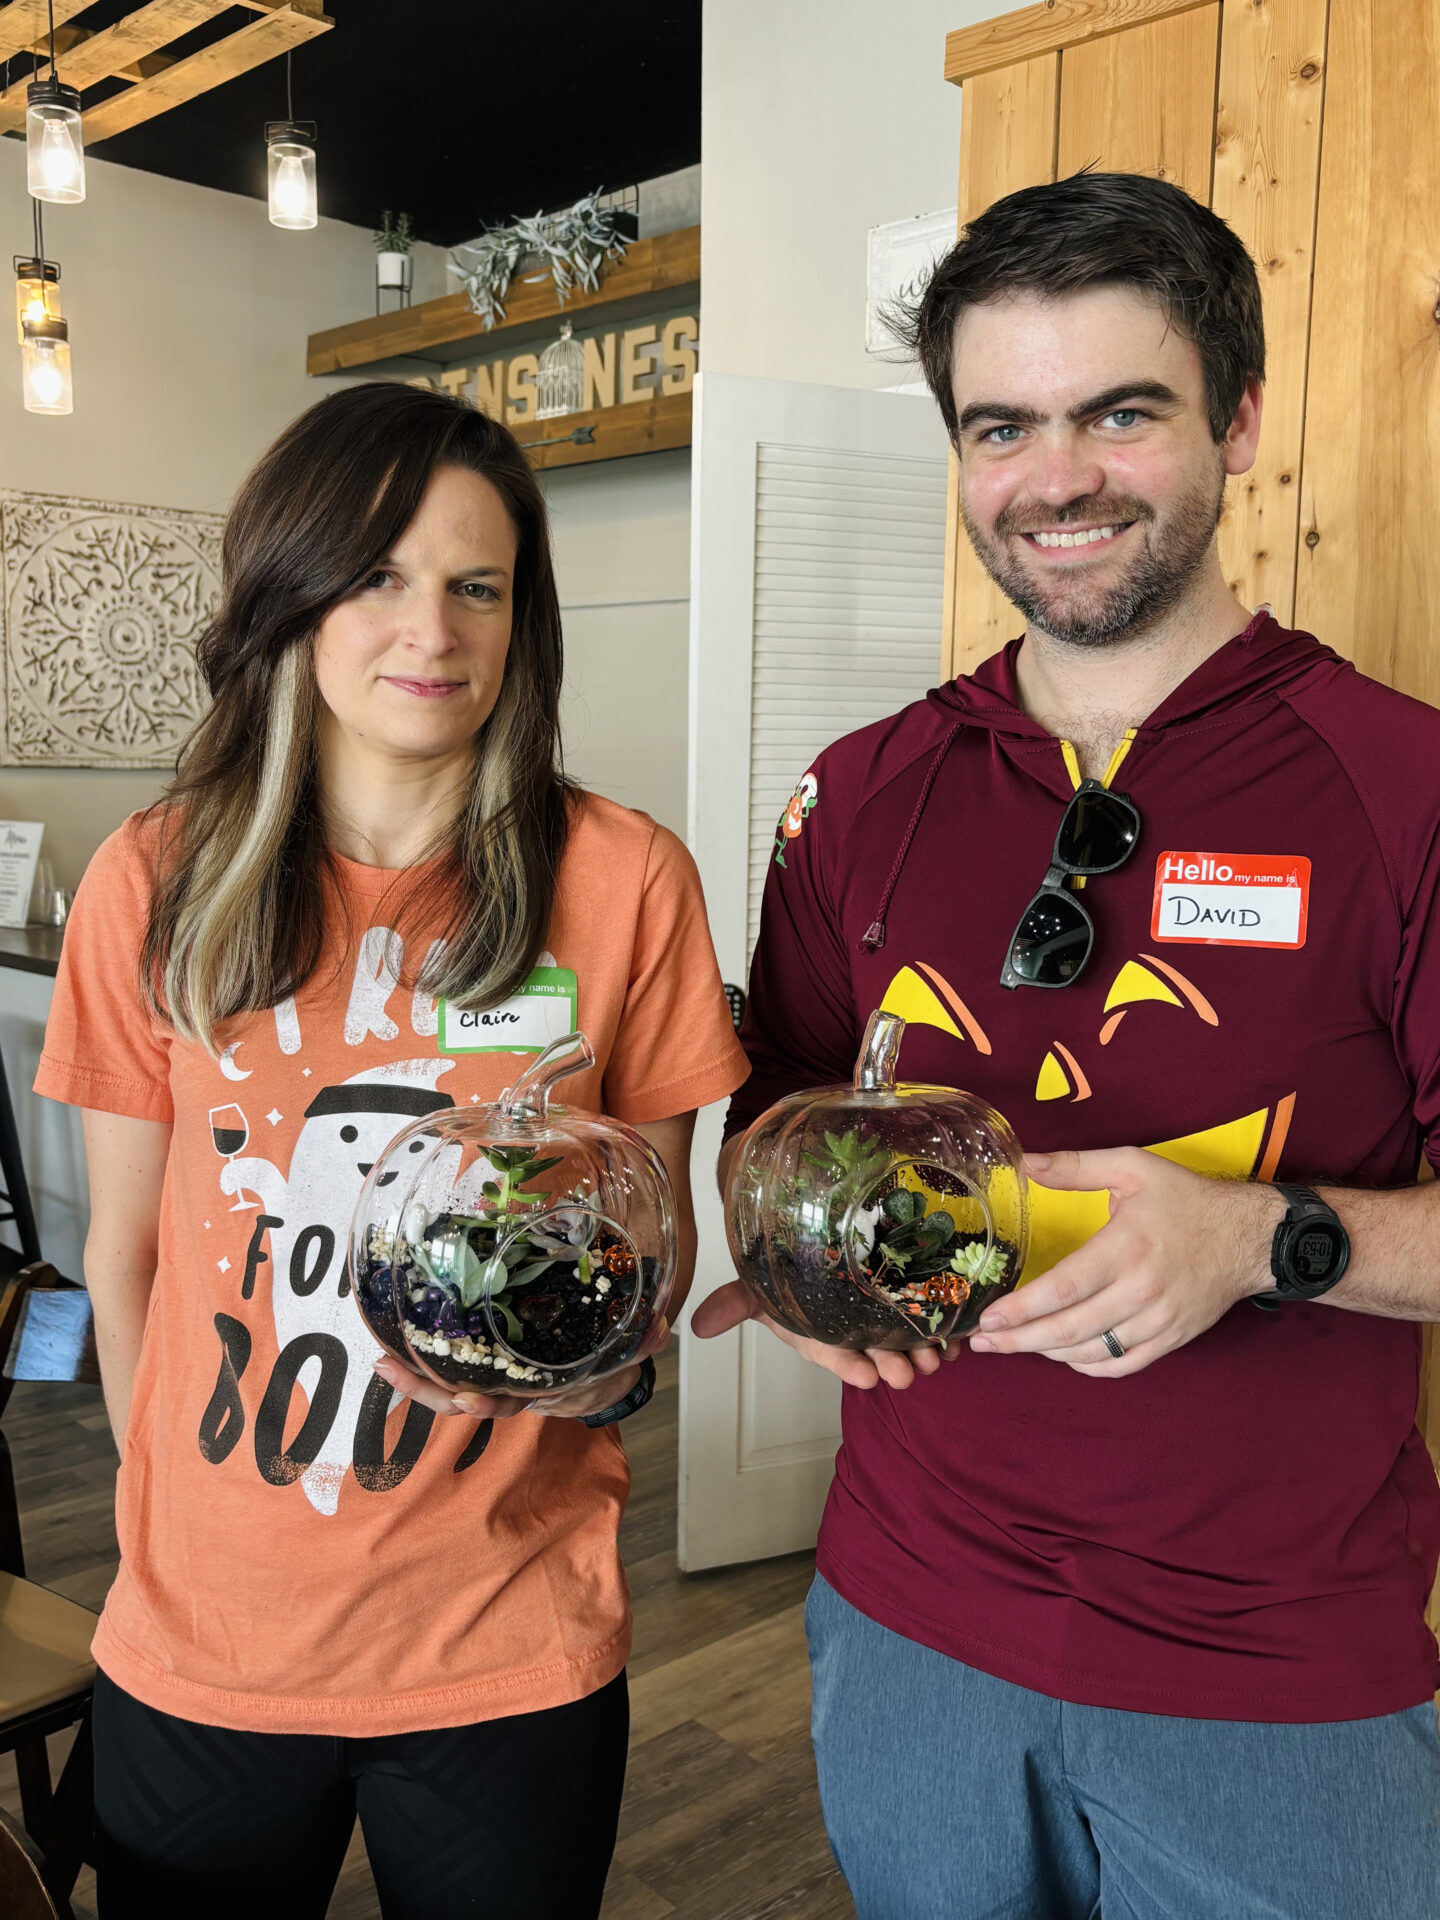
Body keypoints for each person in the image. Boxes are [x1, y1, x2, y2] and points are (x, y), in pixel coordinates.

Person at [694, 171, 1440, 1920]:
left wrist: (1269, 1239)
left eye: (1123, 411)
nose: (1057, 478)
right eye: (1002, 424)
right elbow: (775, 1117)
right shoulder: (865, 791)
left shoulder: (1403, 790)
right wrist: (792, 1257)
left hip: (1277, 1675)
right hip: (904, 1631)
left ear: (1241, 421)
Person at [37, 382, 748, 1918]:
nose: (431, 628)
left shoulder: (626, 880)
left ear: (520, 621)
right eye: (377, 574)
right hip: (205, 1631)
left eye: (475, 585)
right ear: (290, 593)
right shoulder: (154, 878)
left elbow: (656, 1247)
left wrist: (591, 1341)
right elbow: (129, 1244)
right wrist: (162, 1513)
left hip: (509, 1629)